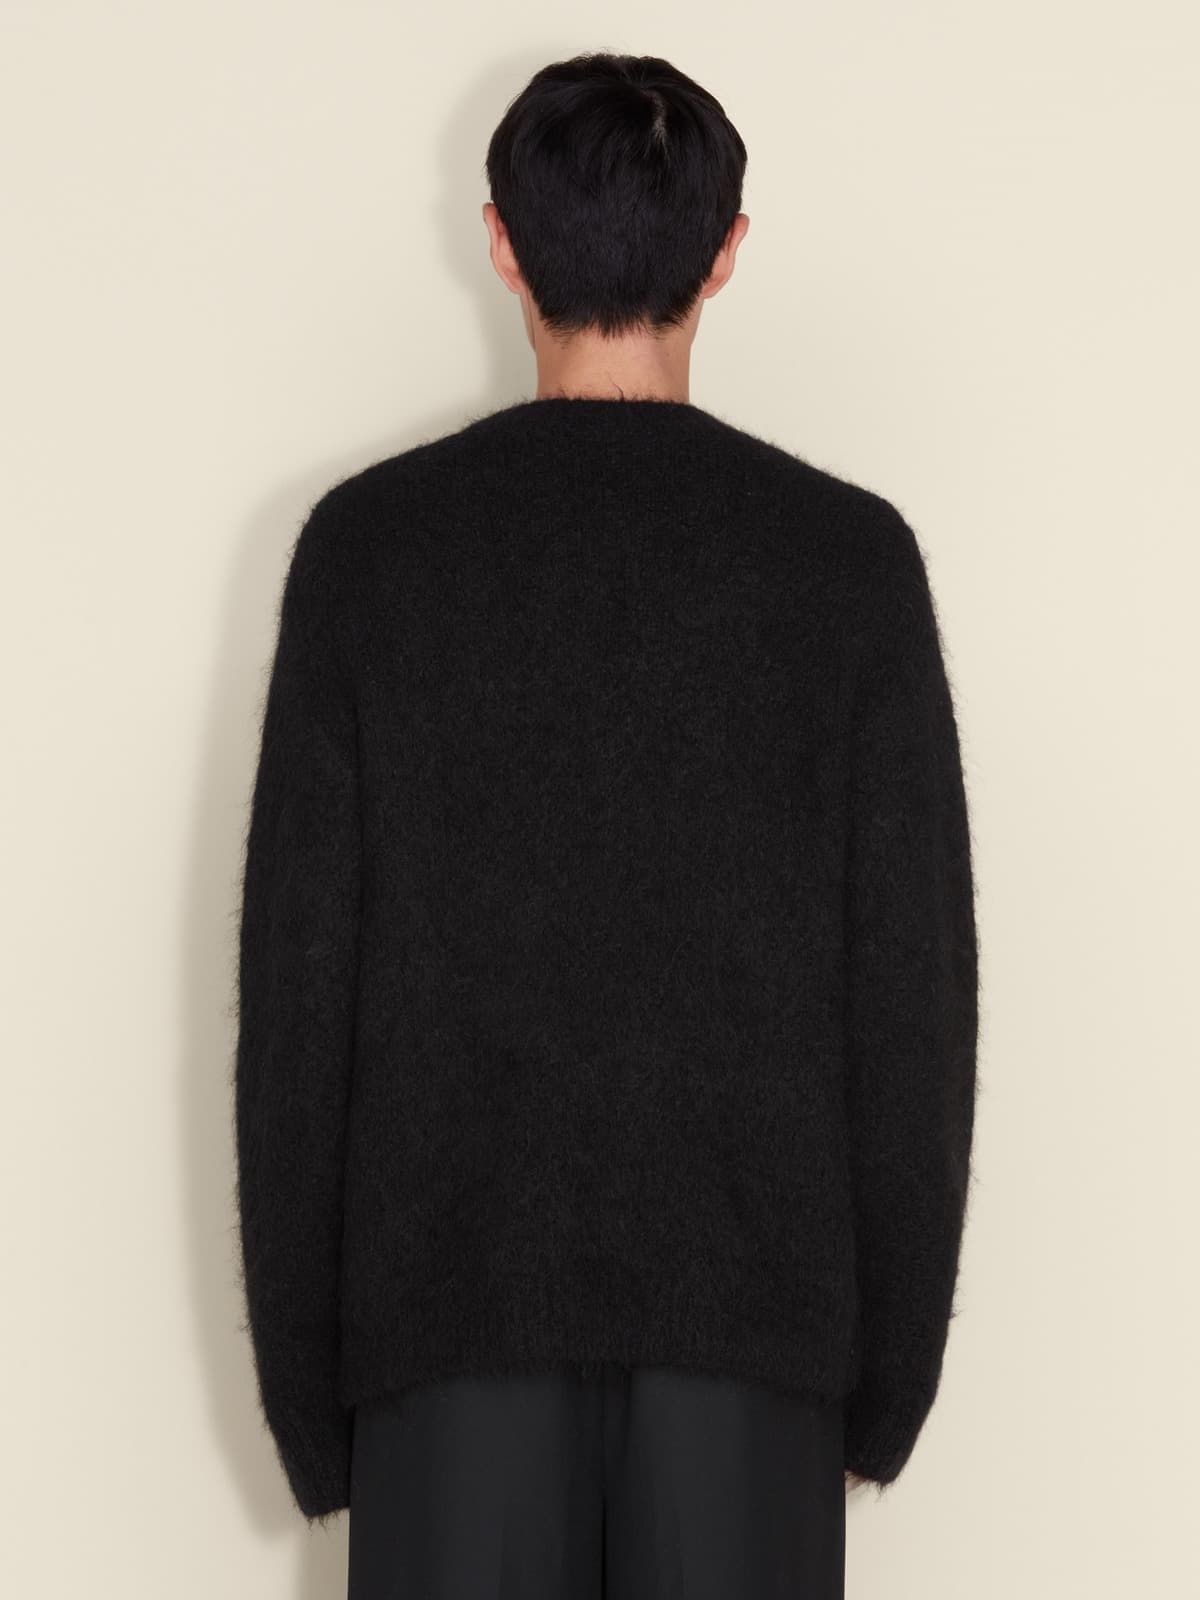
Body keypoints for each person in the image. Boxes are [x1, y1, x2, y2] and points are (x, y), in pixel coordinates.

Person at [232, 50, 980, 1599]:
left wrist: (313, 1406)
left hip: (440, 1352)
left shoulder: (371, 556)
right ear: (728, 251)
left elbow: (298, 1007)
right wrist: (886, 1381)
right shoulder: (847, 567)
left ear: (501, 244)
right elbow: (913, 1005)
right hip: (756, 1355)